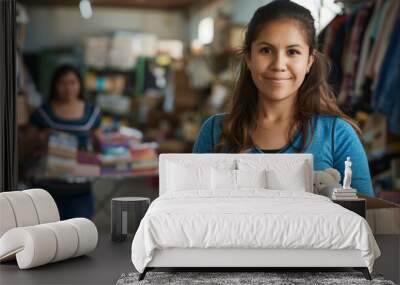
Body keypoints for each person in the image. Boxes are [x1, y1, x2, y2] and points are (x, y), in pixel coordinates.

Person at [192, 0, 375, 197]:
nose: (279, 64)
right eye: (266, 50)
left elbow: (363, 217)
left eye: (293, 52)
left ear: (309, 62)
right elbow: (189, 211)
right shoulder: (215, 131)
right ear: (248, 58)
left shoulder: (337, 135)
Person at [29, 64, 102, 219]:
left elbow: (99, 146)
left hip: (80, 189)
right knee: (49, 235)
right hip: (46, 190)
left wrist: (101, 144)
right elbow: (28, 145)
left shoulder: (92, 113)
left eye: (73, 82)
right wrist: (40, 138)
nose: (68, 88)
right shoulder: (43, 113)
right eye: (63, 83)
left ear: (80, 85)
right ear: (55, 85)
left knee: (79, 235)